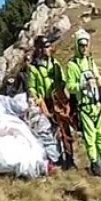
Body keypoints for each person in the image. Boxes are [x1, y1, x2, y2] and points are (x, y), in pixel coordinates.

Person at [65, 29, 101, 176]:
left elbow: (100, 79)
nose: (84, 48)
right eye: (82, 45)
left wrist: (96, 80)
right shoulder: (72, 66)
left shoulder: (91, 61)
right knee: (90, 138)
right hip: (84, 107)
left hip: (96, 105)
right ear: (77, 45)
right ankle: (95, 164)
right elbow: (70, 87)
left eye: (86, 45)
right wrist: (82, 86)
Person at [27, 35, 75, 169]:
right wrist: (38, 100)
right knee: (49, 131)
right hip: (45, 101)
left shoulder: (55, 63)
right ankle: (56, 159)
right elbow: (32, 87)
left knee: (65, 130)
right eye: (46, 47)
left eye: (49, 46)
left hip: (58, 100)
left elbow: (63, 80)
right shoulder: (34, 68)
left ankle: (70, 160)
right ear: (40, 49)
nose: (49, 49)